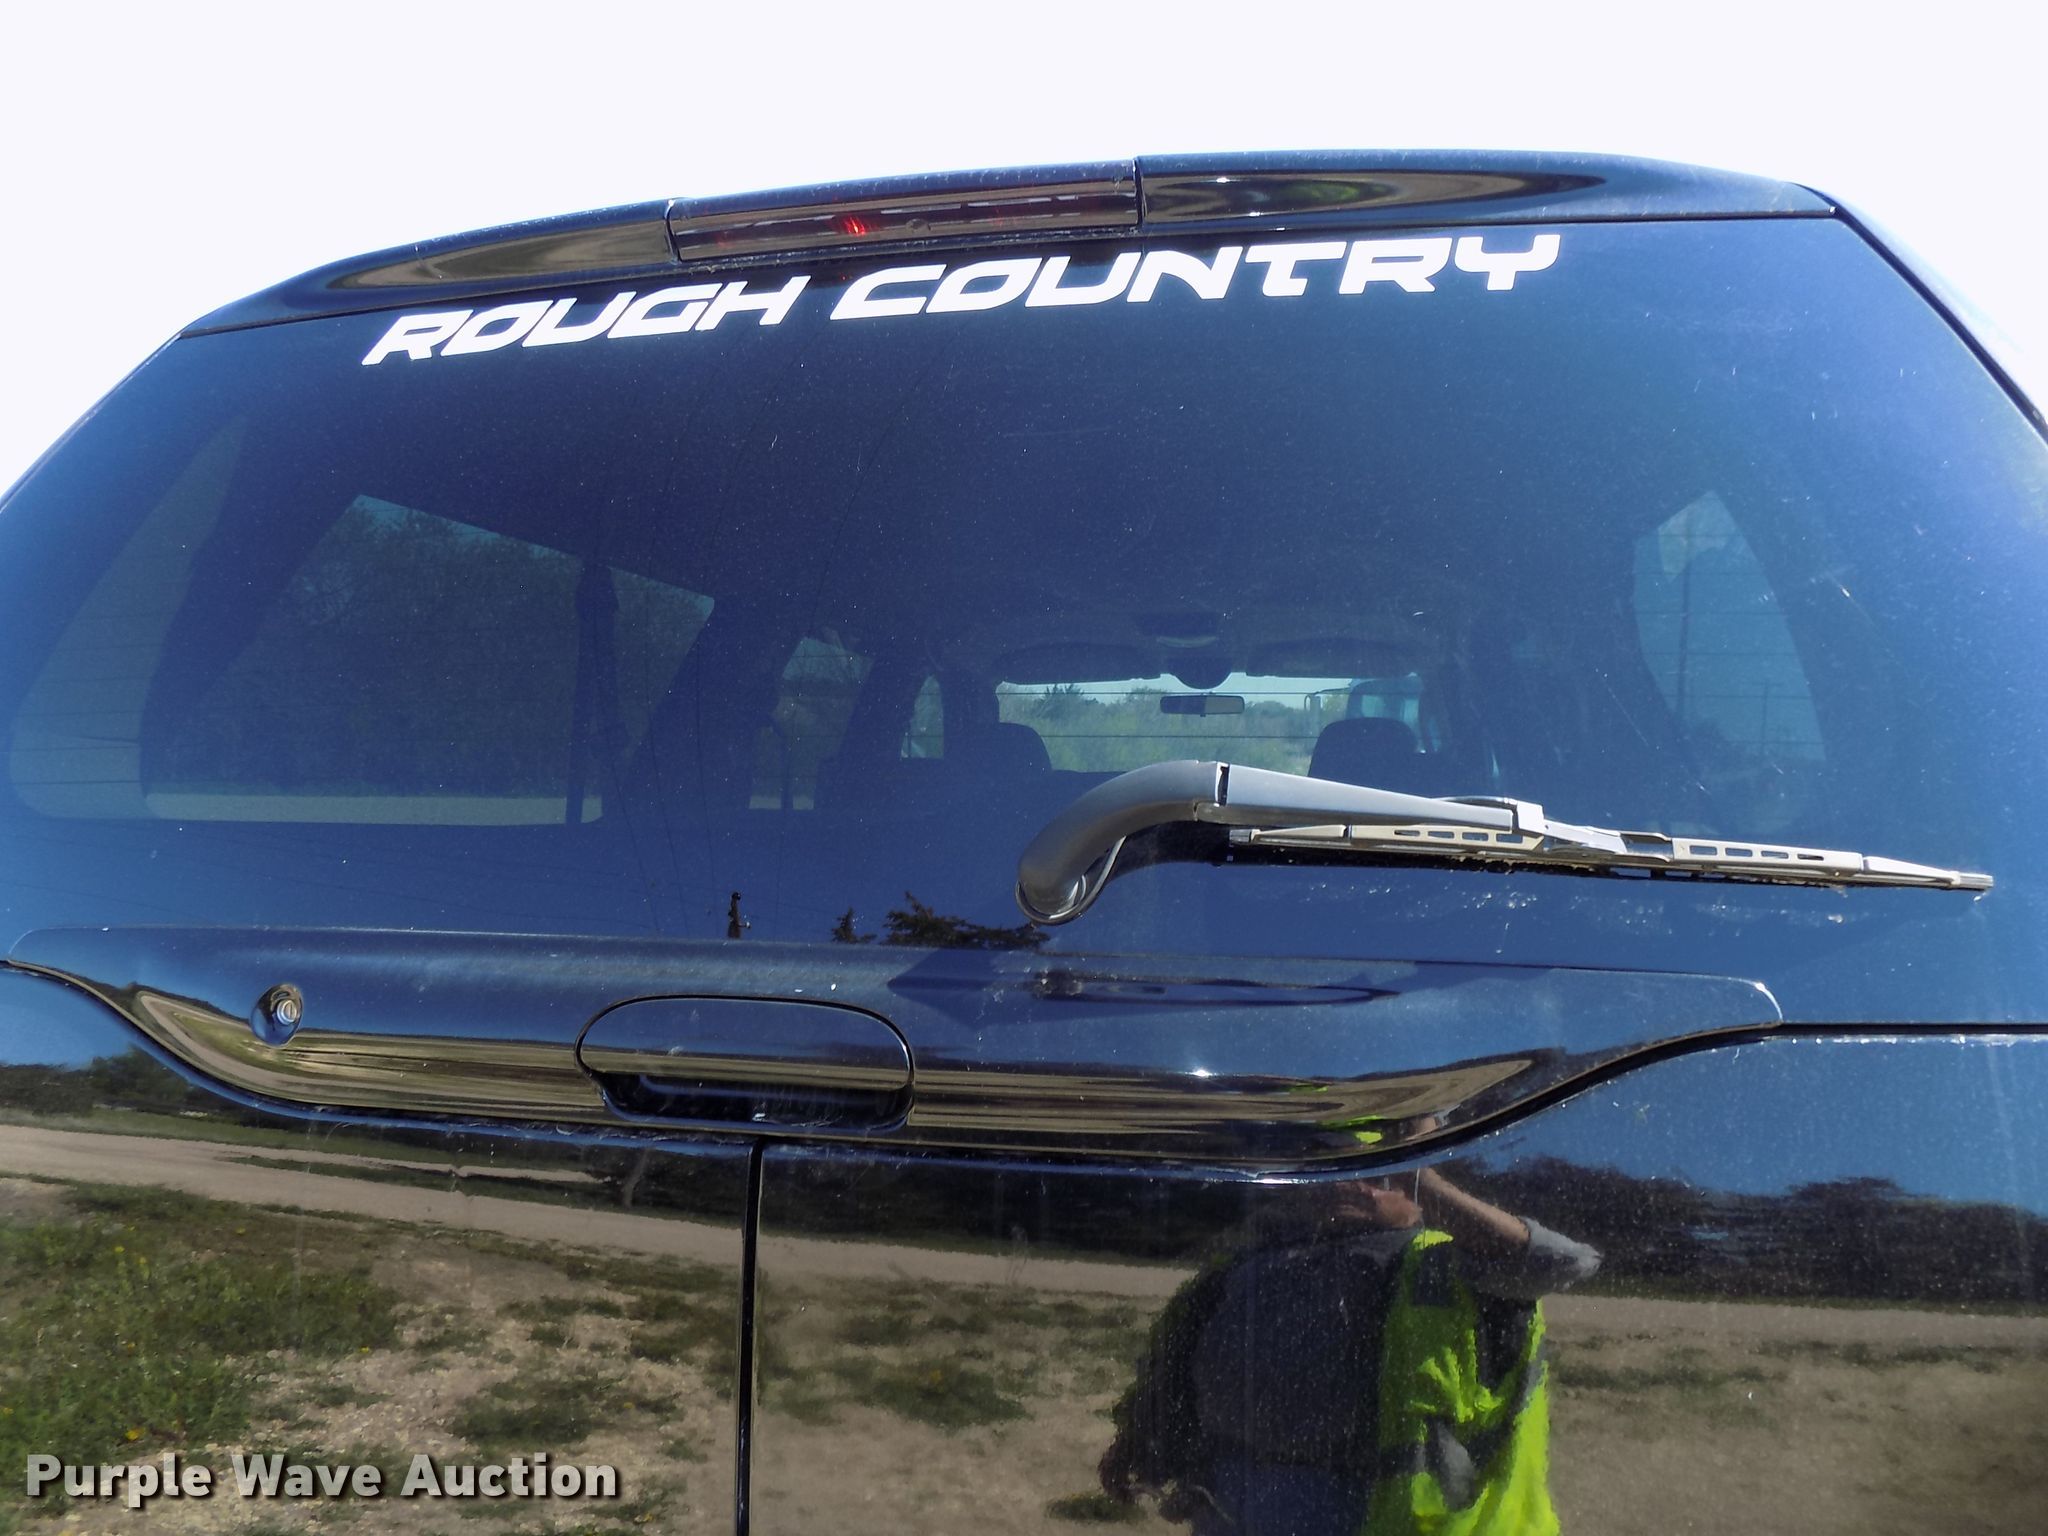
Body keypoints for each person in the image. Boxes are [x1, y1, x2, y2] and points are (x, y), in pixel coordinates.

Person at [1100, 1162, 1599, 1535]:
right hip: (1228, 1497)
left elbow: (1560, 1263)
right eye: (1346, 1166)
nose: (1356, 1184)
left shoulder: (1449, 1268)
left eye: (1382, 1175)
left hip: (1371, 1508)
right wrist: (1139, 1435)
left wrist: (1421, 1174)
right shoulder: (1246, 1266)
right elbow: (1180, 1364)